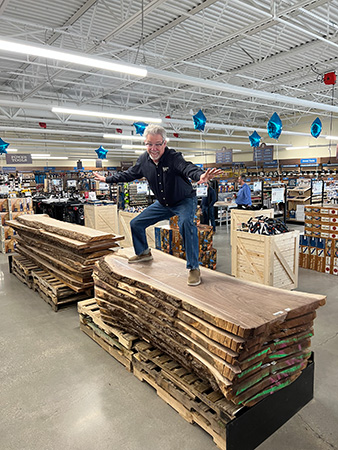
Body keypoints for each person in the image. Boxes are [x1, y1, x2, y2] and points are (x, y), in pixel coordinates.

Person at [93, 124, 221, 286]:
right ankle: (143, 252)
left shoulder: (173, 158)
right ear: (145, 144)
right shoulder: (143, 161)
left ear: (164, 144)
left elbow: (187, 167)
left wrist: (200, 175)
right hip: (163, 204)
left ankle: (194, 268)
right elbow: (129, 174)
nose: (153, 148)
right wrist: (107, 179)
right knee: (136, 223)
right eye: (149, 144)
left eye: (157, 144)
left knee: (186, 225)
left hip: (184, 201)